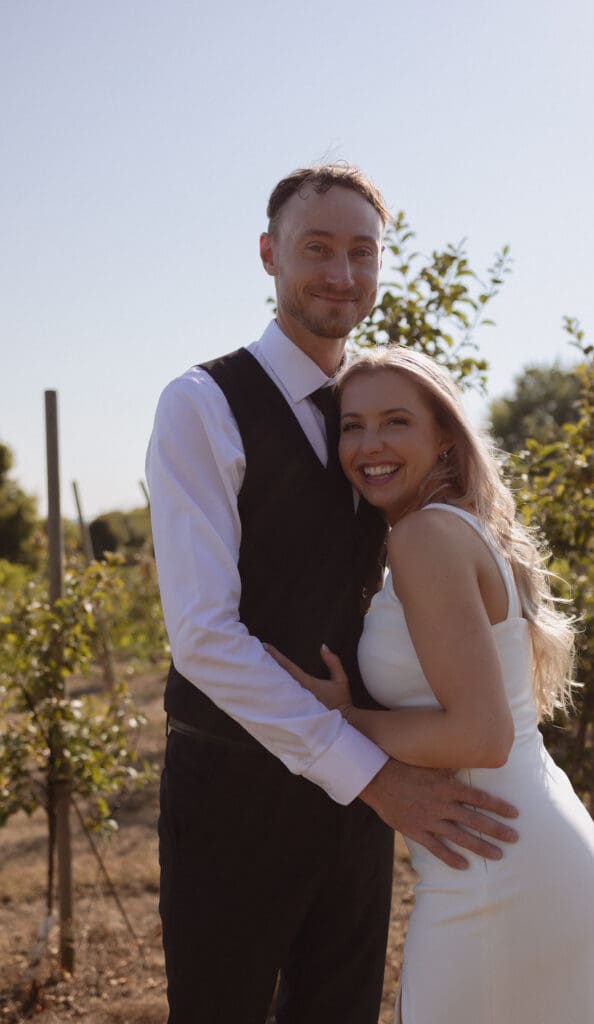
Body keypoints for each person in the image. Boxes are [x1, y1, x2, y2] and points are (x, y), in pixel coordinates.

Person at [145, 164, 519, 1024]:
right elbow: (202, 637)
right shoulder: (201, 404)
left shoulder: (378, 412)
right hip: (236, 791)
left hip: (356, 794)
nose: (341, 274)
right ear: (270, 255)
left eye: (361, 252)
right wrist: (372, 774)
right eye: (316, 249)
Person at [269, 346, 594, 1023]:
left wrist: (340, 720)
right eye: (352, 425)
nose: (369, 445)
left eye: (396, 421)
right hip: (522, 843)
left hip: (494, 865)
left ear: (445, 438)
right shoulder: (459, 529)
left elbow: (479, 736)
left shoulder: (423, 538)